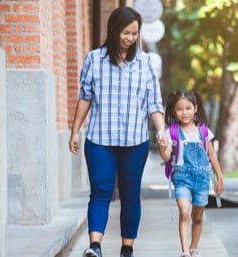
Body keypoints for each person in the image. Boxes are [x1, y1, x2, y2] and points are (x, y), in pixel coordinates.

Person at [68, 6, 166, 257]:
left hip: (135, 141)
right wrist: (75, 130)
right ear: (114, 31)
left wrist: (162, 131)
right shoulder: (94, 59)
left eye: (135, 33)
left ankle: (127, 249)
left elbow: (154, 104)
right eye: (126, 33)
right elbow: (85, 97)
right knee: (100, 191)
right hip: (100, 140)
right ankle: (95, 247)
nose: (131, 38)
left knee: (131, 194)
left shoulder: (145, 63)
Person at [157, 90, 224, 257]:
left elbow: (211, 155)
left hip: (202, 178)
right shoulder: (171, 132)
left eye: (188, 108)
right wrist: (162, 146)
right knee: (184, 210)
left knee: (198, 217)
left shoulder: (203, 131)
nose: (184, 112)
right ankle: (185, 252)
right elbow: (166, 157)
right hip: (182, 178)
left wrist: (219, 177)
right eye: (179, 109)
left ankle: (194, 247)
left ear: (195, 109)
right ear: (173, 111)